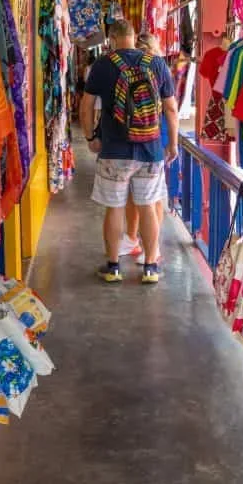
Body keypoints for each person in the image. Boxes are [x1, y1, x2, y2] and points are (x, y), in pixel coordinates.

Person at [81, 19, 178, 285]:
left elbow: (86, 105)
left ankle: (113, 267)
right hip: (150, 149)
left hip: (114, 150)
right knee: (147, 207)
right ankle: (150, 267)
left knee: (114, 208)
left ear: (111, 39)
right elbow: (170, 108)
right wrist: (173, 143)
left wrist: (91, 137)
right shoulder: (156, 64)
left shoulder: (103, 64)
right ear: (135, 38)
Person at [121, 33, 169, 262]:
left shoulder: (158, 69)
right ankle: (134, 240)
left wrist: (173, 144)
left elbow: (171, 108)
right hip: (146, 134)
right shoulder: (155, 69)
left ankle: (153, 246)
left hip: (157, 135)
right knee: (140, 194)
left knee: (154, 196)